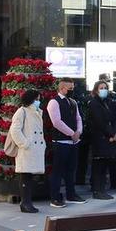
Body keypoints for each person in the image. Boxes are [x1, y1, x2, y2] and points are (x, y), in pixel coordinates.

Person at [46, 77, 87, 207]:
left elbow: (78, 118)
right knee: (58, 171)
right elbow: (57, 122)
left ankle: (71, 194)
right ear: (62, 88)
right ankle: (55, 197)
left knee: (71, 170)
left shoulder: (73, 102)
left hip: (73, 142)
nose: (72, 90)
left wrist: (78, 132)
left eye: (73, 88)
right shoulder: (54, 102)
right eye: (70, 88)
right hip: (60, 141)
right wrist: (72, 133)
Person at [8, 90, 46, 213]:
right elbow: (15, 130)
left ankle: (28, 202)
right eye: (37, 99)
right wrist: (24, 144)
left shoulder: (36, 112)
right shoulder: (22, 111)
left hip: (34, 149)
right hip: (26, 150)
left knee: (29, 177)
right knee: (25, 176)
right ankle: (25, 203)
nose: (38, 101)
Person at [88, 80, 116, 200]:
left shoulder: (108, 102)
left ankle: (102, 189)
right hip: (100, 138)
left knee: (105, 165)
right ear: (96, 90)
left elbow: (114, 119)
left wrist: (115, 133)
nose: (103, 90)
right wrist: (111, 134)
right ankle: (97, 190)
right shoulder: (94, 103)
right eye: (101, 88)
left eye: (105, 88)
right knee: (98, 166)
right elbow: (99, 122)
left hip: (109, 138)